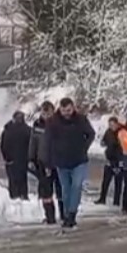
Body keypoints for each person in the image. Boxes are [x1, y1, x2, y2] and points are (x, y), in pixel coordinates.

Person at [45, 98, 96, 228]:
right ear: (60, 109)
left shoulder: (81, 120)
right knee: (66, 189)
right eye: (64, 111)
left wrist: (84, 147)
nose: (66, 113)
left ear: (73, 108)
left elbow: (91, 134)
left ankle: (72, 213)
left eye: (68, 110)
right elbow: (47, 143)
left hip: (79, 160)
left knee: (76, 186)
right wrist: (48, 163)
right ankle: (67, 215)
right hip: (61, 161)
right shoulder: (53, 122)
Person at [29, 101, 62, 224]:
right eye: (44, 113)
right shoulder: (37, 125)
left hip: (57, 162)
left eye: (49, 113)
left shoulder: (58, 124)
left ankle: (64, 215)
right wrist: (31, 158)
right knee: (45, 192)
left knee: (61, 190)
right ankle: (50, 217)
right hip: (42, 162)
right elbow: (33, 143)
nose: (46, 116)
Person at [0, 111, 32, 199]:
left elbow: (3, 146)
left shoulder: (7, 130)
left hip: (11, 161)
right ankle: (23, 197)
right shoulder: (28, 130)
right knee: (22, 180)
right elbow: (31, 146)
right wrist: (30, 158)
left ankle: (14, 198)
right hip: (23, 160)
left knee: (13, 181)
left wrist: (6, 158)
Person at [97, 117, 122, 206]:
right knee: (106, 180)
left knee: (118, 181)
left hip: (119, 159)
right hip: (109, 158)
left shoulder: (121, 132)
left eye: (113, 125)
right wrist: (103, 143)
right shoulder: (108, 132)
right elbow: (103, 141)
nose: (111, 127)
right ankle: (102, 198)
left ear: (117, 124)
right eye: (110, 125)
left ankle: (116, 201)